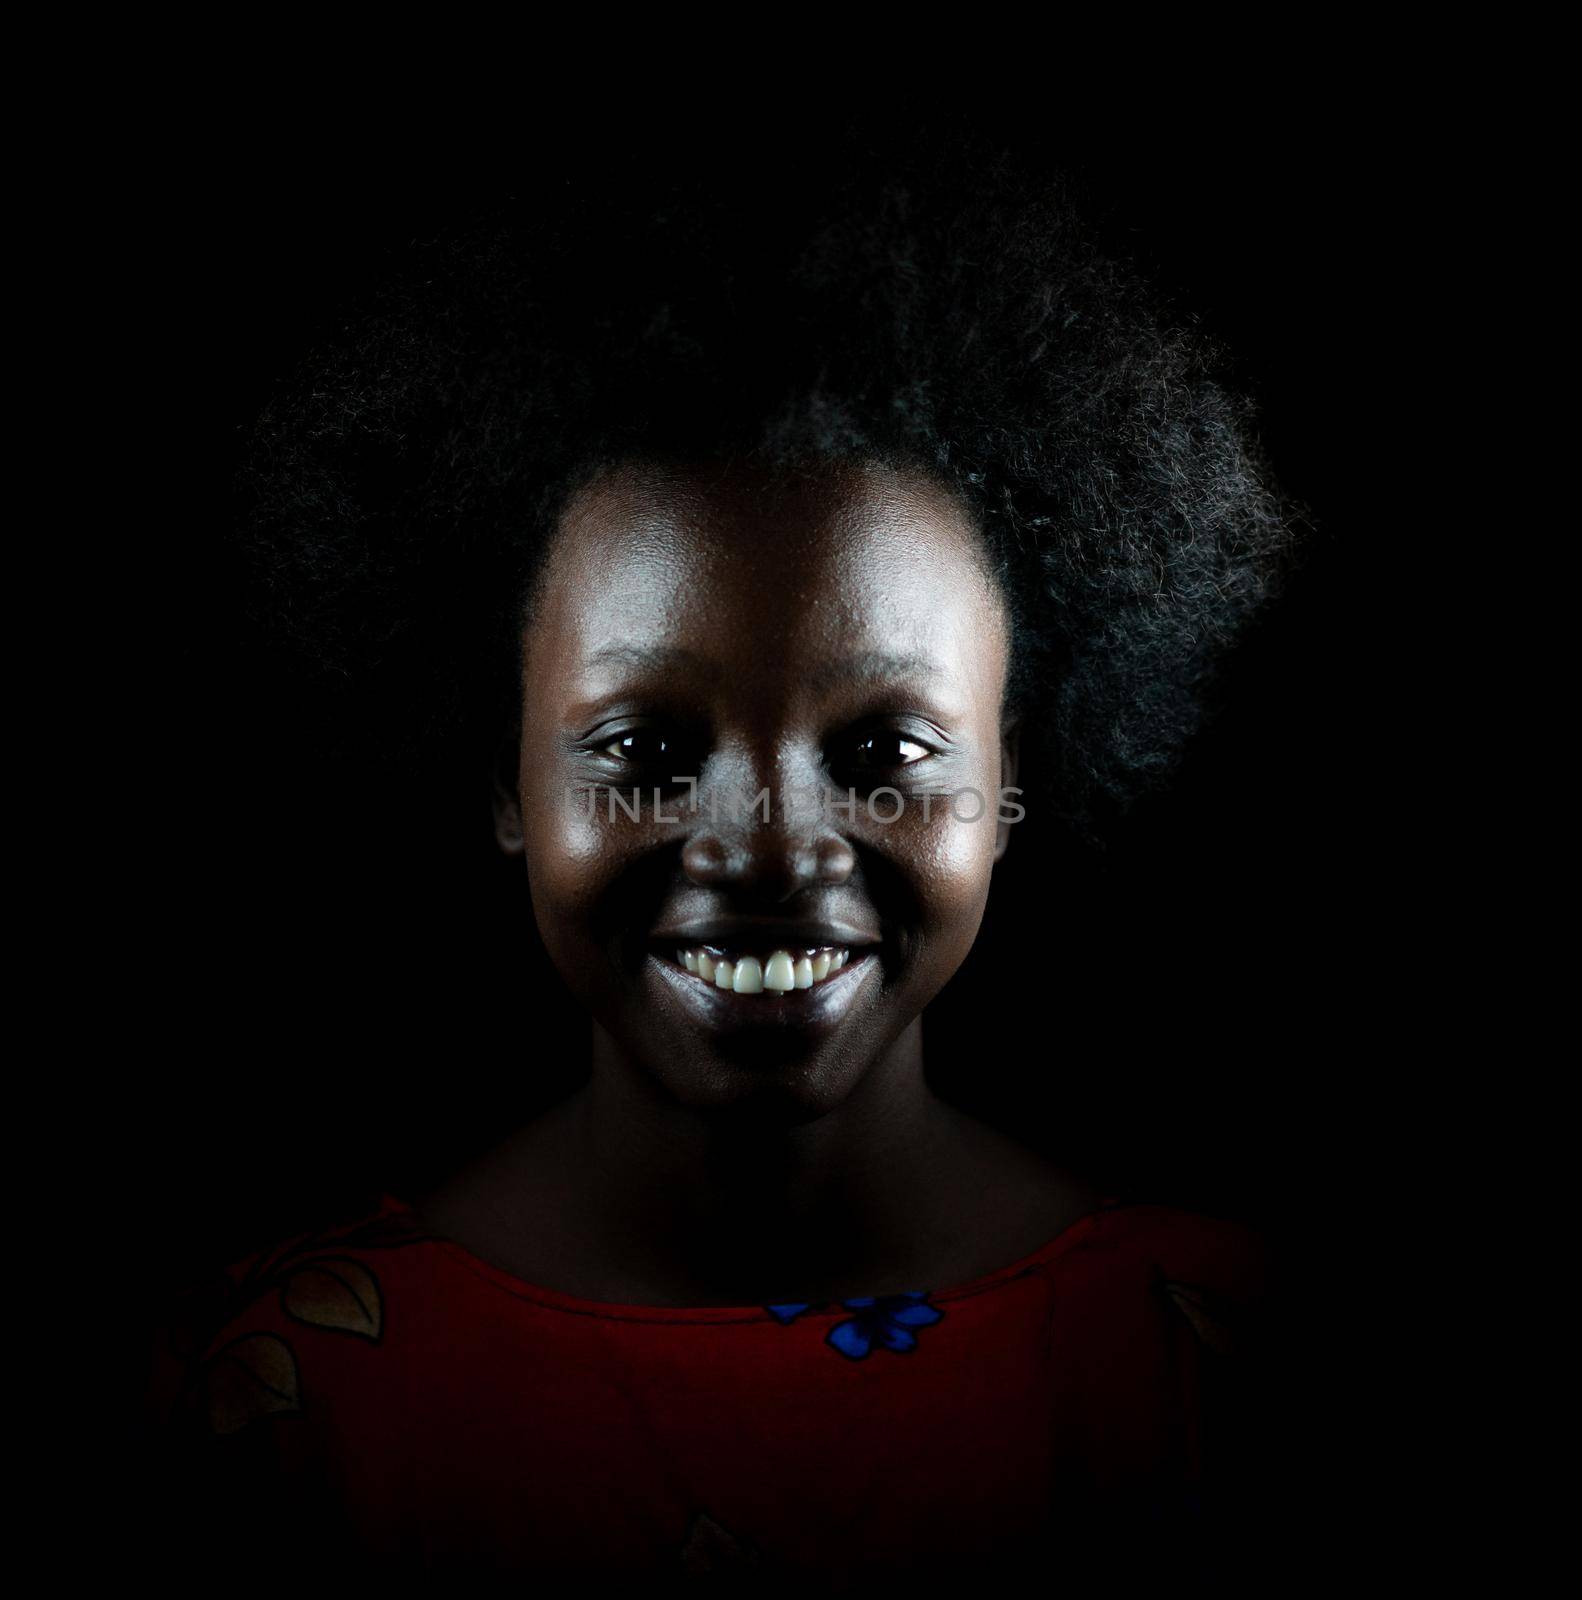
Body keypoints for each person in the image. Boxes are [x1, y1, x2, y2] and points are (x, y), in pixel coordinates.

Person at [143, 144, 1304, 1587]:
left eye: (885, 752)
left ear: (1012, 781)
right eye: (641, 751)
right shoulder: (278, 1408)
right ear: (505, 781)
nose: (762, 839)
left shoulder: (1220, 1369)